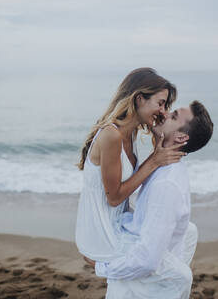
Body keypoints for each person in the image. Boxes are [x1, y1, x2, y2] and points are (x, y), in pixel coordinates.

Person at [86, 101, 214, 299]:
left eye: (173, 116)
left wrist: (101, 265)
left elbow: (147, 260)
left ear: (181, 137)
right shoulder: (162, 166)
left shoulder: (167, 183)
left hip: (138, 287)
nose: (164, 113)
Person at [75, 68, 187, 262]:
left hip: (120, 222)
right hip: (102, 234)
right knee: (170, 265)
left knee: (182, 232)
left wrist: (158, 133)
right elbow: (115, 198)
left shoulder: (130, 131)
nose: (163, 111)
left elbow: (154, 165)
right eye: (160, 103)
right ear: (139, 99)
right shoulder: (112, 135)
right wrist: (154, 161)